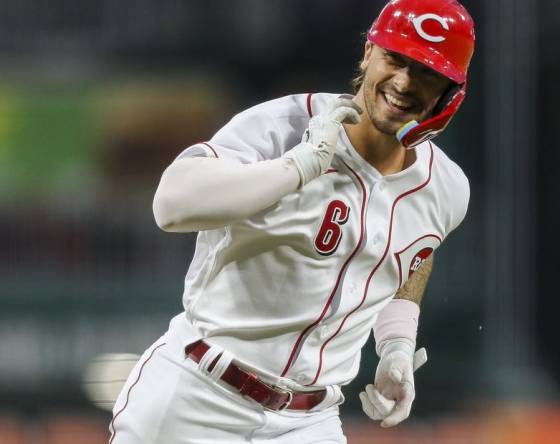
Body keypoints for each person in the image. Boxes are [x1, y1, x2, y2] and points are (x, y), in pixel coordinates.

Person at [108, 0, 475, 442]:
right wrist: (297, 167)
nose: (403, 81)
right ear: (367, 54)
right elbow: (170, 205)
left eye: (426, 71)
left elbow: (414, 254)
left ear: (450, 93)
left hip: (309, 421)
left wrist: (396, 343)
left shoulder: (447, 188)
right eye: (395, 59)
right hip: (198, 397)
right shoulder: (283, 125)